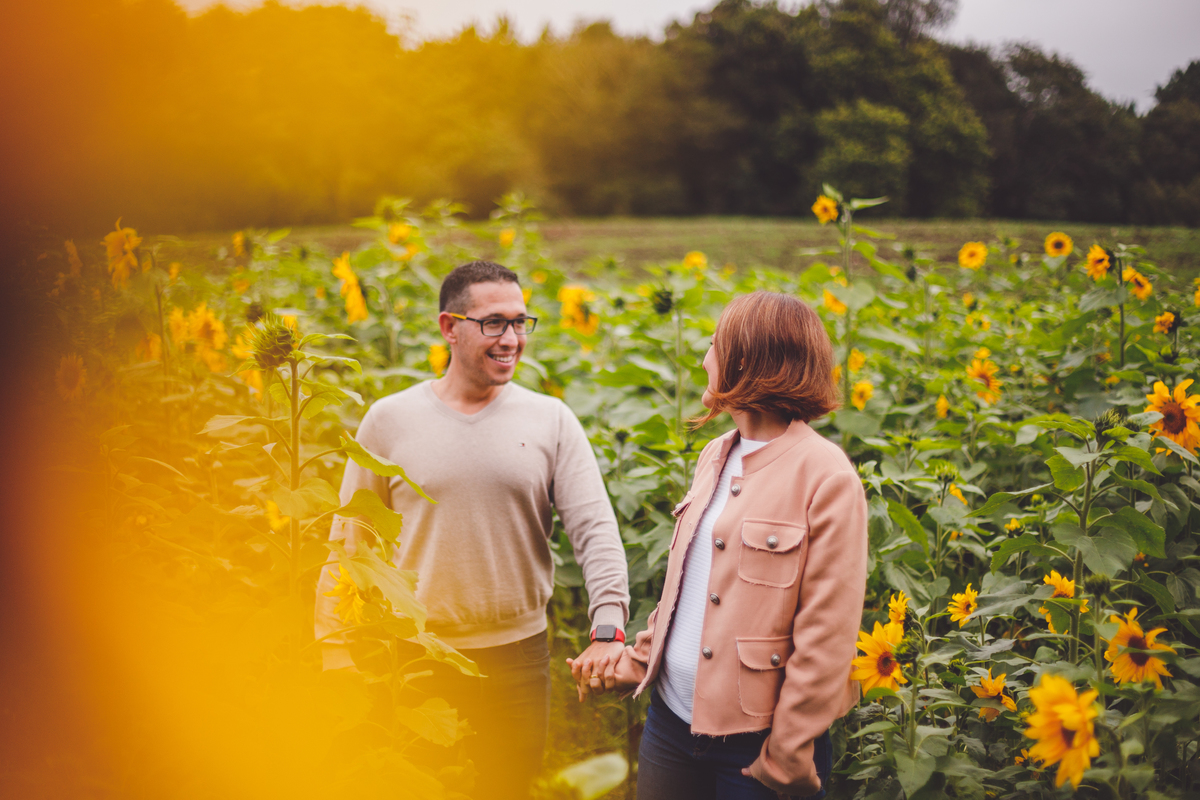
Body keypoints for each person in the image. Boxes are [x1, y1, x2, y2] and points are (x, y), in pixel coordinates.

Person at [315, 260, 630, 798]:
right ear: (449, 327)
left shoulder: (550, 420)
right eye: (493, 323)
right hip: (411, 656)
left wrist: (608, 626)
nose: (511, 339)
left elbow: (595, 530)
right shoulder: (389, 421)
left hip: (517, 658)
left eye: (520, 322)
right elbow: (350, 543)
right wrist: (333, 648)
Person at [575, 290, 868, 800]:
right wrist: (636, 662)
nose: (703, 356)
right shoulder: (716, 454)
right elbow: (685, 591)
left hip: (757, 748)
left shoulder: (827, 476)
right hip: (669, 726)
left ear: (745, 359)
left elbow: (827, 636)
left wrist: (789, 750)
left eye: (714, 342)